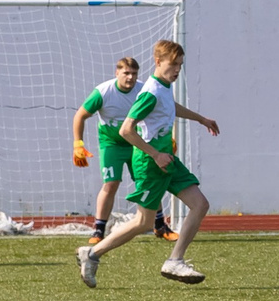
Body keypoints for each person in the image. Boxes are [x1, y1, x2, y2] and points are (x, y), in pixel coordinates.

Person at [77, 39, 217, 287]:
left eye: (180, 65)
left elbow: (170, 107)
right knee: (143, 222)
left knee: (200, 204)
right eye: (173, 64)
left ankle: (175, 260)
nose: (177, 70)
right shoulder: (150, 92)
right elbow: (126, 130)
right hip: (151, 162)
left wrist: (201, 119)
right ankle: (92, 254)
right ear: (158, 62)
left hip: (166, 160)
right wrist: (155, 154)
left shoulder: (162, 87)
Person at [71, 55, 143, 241]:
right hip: (111, 144)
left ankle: (160, 225)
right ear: (117, 72)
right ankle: (99, 230)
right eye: (126, 73)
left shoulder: (144, 90)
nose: (130, 78)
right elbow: (80, 116)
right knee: (111, 184)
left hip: (137, 143)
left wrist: (168, 137)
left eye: (134, 74)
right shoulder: (103, 92)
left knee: (147, 181)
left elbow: (164, 111)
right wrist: (78, 144)